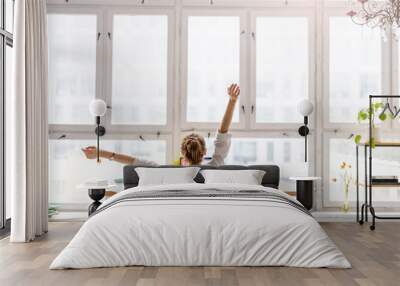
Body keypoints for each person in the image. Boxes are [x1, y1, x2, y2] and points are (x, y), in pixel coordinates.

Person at [82, 83, 240, 166]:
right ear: (204, 151)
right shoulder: (215, 165)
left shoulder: (168, 173)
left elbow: (133, 161)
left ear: (182, 154)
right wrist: (232, 101)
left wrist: (99, 153)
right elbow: (222, 134)